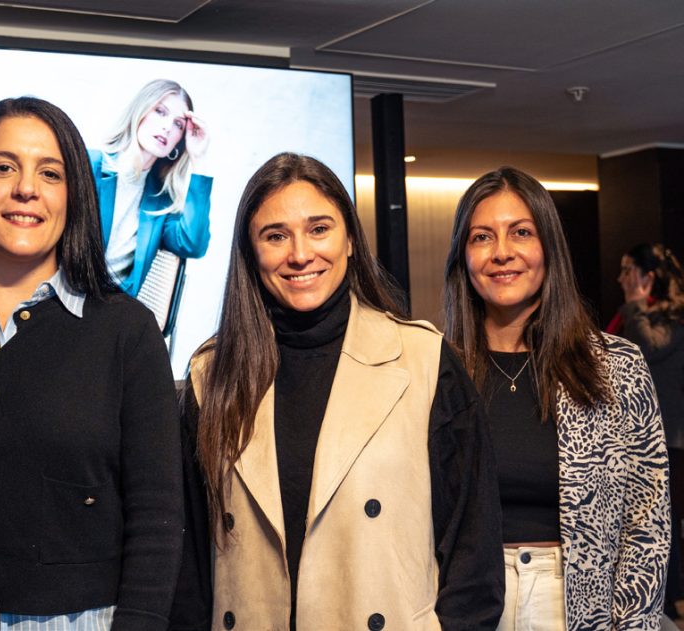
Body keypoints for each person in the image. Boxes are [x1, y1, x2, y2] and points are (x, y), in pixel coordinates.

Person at [173, 152, 504, 630]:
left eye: (319, 229)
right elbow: (189, 569)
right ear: (250, 252)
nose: (300, 254)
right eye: (275, 236)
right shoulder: (211, 375)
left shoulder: (424, 361)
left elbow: (473, 559)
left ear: (350, 239)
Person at [0, 97, 183, 630]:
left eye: (50, 173)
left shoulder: (125, 330)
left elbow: (157, 516)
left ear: (74, 198)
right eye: (3, 167)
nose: (26, 189)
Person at [443, 167, 670, 630]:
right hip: (465, 604)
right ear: (463, 256)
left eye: (521, 233)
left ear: (549, 247)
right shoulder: (434, 370)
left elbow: (647, 521)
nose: (502, 253)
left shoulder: (615, 367)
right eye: (482, 237)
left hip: (579, 603)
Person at [90, 79, 213, 297]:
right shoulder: (90, 166)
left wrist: (199, 160)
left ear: (179, 140)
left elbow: (192, 244)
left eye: (178, 124)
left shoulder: (161, 201)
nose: (167, 127)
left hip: (113, 311)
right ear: (140, 112)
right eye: (160, 111)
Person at [616, 242, 684, 618]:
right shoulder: (638, 314)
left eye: (628, 270)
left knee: (663, 520)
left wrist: (635, 302)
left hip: (670, 440)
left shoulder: (671, 316)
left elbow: (648, 349)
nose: (621, 278)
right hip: (641, 437)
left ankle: (671, 600)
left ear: (647, 276)